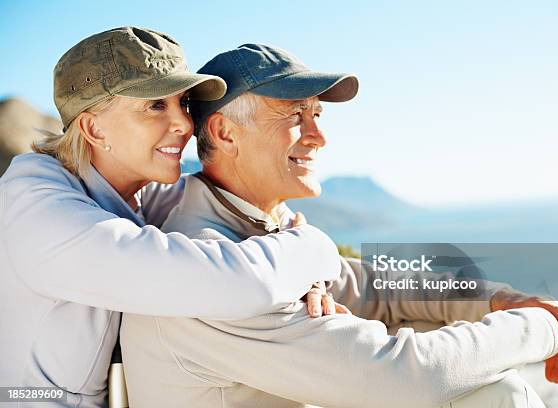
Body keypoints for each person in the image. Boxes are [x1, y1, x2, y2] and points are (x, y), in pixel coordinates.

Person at [120, 44, 558, 408]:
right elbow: (403, 378)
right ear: (224, 133)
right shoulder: (210, 267)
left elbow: (373, 287)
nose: (319, 135)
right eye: (294, 115)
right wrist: (542, 327)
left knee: (492, 393)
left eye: (316, 114)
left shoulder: (263, 227)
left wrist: (497, 298)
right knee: (494, 396)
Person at [0, 29, 344, 407]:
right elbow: (235, 282)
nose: (184, 123)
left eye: (182, 103)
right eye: (154, 106)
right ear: (94, 128)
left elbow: (248, 212)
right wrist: (310, 247)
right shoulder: (38, 216)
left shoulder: (137, 194)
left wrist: (308, 279)